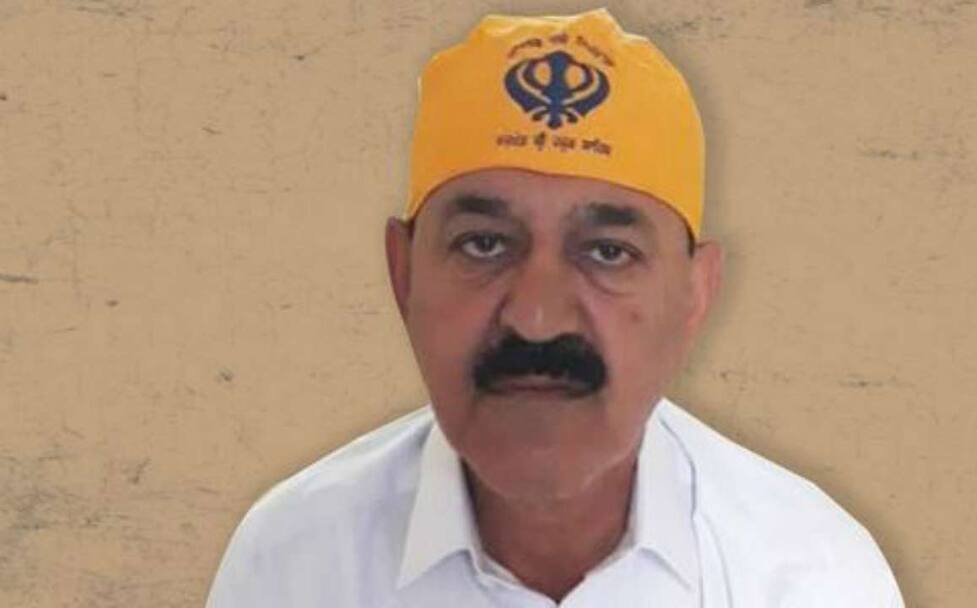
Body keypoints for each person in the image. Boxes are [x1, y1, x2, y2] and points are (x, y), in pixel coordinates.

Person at [205, 8, 904, 607]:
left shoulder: (810, 577)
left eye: (607, 253)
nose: (537, 318)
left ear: (695, 293)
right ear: (404, 273)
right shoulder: (291, 568)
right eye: (484, 244)